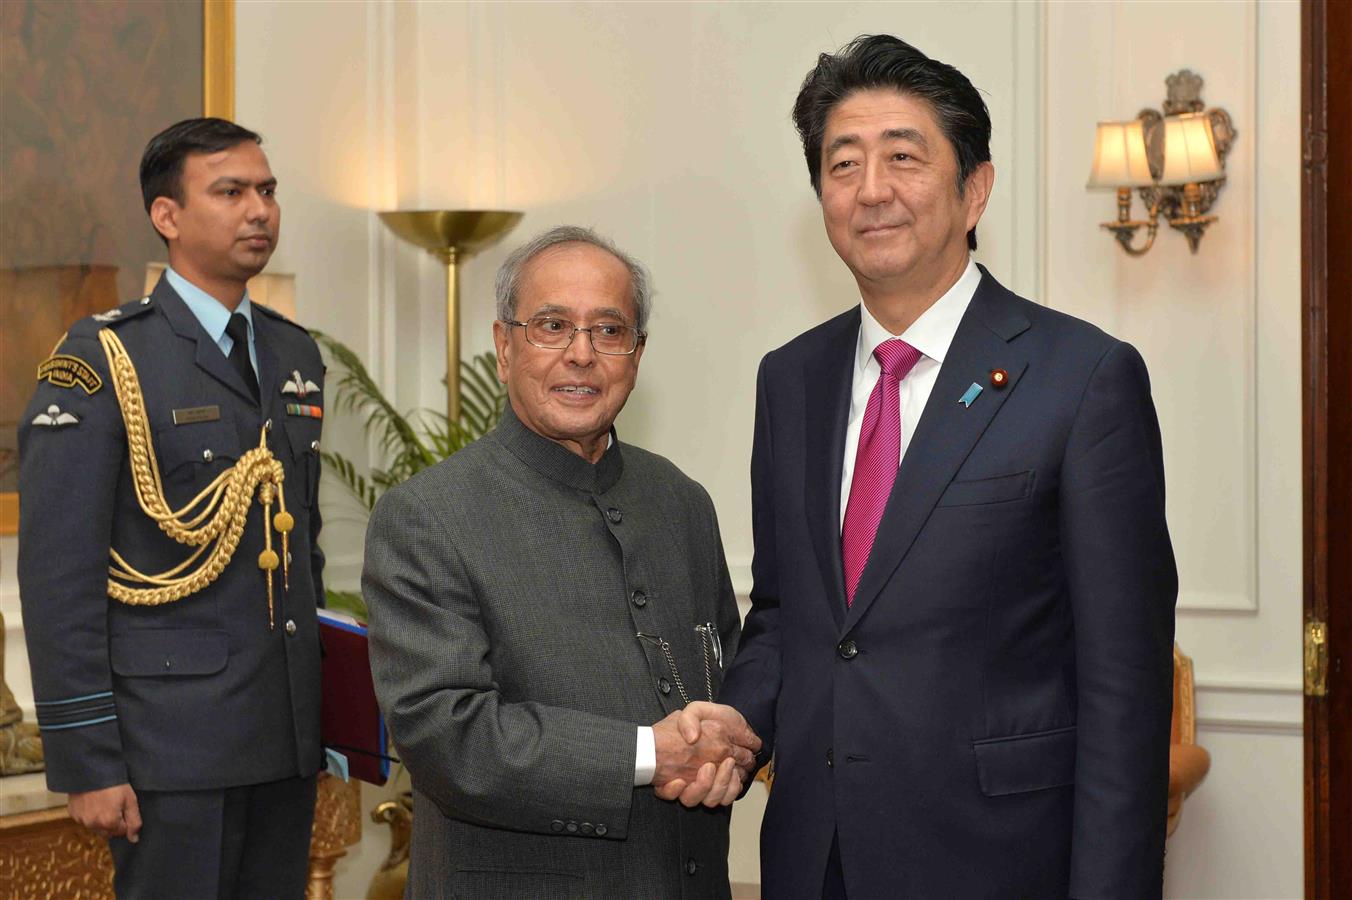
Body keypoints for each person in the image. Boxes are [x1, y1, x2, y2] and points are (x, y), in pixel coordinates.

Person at [713, 35, 1178, 898]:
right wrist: (737, 721)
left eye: (903, 157)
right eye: (841, 163)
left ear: (974, 189)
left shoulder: (1081, 378)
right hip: (817, 859)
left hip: (999, 861)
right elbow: (787, 613)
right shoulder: (791, 378)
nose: (871, 190)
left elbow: (1124, 686)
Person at [363, 225, 760, 899]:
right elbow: (447, 736)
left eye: (609, 331)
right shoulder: (426, 517)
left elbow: (730, 670)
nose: (582, 355)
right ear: (503, 346)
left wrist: (734, 750)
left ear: (637, 354)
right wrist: (648, 754)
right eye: (552, 326)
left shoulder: (680, 502)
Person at [18, 117, 326, 898]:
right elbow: (62, 578)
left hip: (281, 740)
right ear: (168, 217)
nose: (259, 210)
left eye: (267, 190)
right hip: (169, 750)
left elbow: (300, 550)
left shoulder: (294, 354)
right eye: (230, 192)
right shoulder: (104, 359)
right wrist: (87, 759)